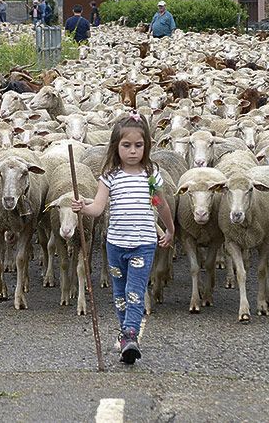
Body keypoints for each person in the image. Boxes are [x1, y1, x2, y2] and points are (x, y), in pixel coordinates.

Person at [72, 113, 174, 365]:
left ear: (147, 146)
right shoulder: (110, 176)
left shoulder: (151, 175)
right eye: (126, 145)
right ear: (116, 147)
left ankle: (130, 334)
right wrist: (81, 208)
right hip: (115, 243)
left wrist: (170, 228)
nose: (132, 151)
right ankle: (126, 334)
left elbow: (160, 204)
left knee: (135, 291)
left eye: (138, 146)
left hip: (143, 243)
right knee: (119, 293)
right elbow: (97, 207)